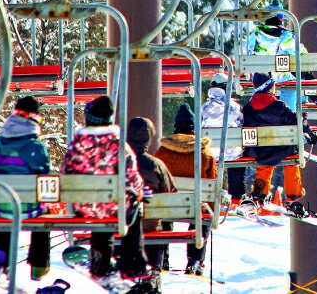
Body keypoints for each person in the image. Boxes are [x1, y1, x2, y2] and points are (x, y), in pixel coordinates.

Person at [61, 95, 147, 280]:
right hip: (112, 207)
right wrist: (138, 192)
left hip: (82, 206)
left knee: (100, 208)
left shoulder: (76, 145)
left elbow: (65, 174)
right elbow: (132, 178)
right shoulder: (118, 146)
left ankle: (101, 262)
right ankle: (132, 264)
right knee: (130, 207)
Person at [0, 96, 51, 283]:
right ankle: (39, 266)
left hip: (1, 205)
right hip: (29, 209)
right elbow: (43, 176)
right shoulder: (35, 147)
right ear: (35, 119)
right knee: (44, 215)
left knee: (9, 209)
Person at [155, 104, 217, 276]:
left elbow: (156, 179)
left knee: (162, 216)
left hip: (168, 205)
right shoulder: (205, 153)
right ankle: (195, 260)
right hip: (195, 206)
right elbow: (212, 183)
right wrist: (211, 211)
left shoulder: (162, 151)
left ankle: (162, 258)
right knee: (201, 218)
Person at [242, 72, 311, 205]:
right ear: (269, 87)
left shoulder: (248, 108)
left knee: (264, 163)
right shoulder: (279, 106)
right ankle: (293, 193)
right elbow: (296, 121)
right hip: (282, 149)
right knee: (291, 160)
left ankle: (260, 192)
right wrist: (310, 133)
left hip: (258, 151)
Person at [126, 117, 176, 273]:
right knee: (163, 219)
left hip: (122, 225)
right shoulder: (157, 165)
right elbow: (169, 194)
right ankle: (156, 270)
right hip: (150, 227)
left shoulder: (118, 162)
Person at [247, 0, 307, 112]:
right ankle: (288, 114)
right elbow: (301, 52)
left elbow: (250, 51)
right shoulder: (286, 36)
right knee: (291, 85)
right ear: (281, 18)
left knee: (259, 84)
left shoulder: (256, 34)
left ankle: (255, 113)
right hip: (280, 75)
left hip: (261, 76)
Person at [201, 73, 246, 205]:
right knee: (237, 158)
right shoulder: (235, 106)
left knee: (209, 161)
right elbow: (241, 125)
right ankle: (236, 197)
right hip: (232, 151)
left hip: (211, 153)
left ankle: (210, 197)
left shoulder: (204, 107)